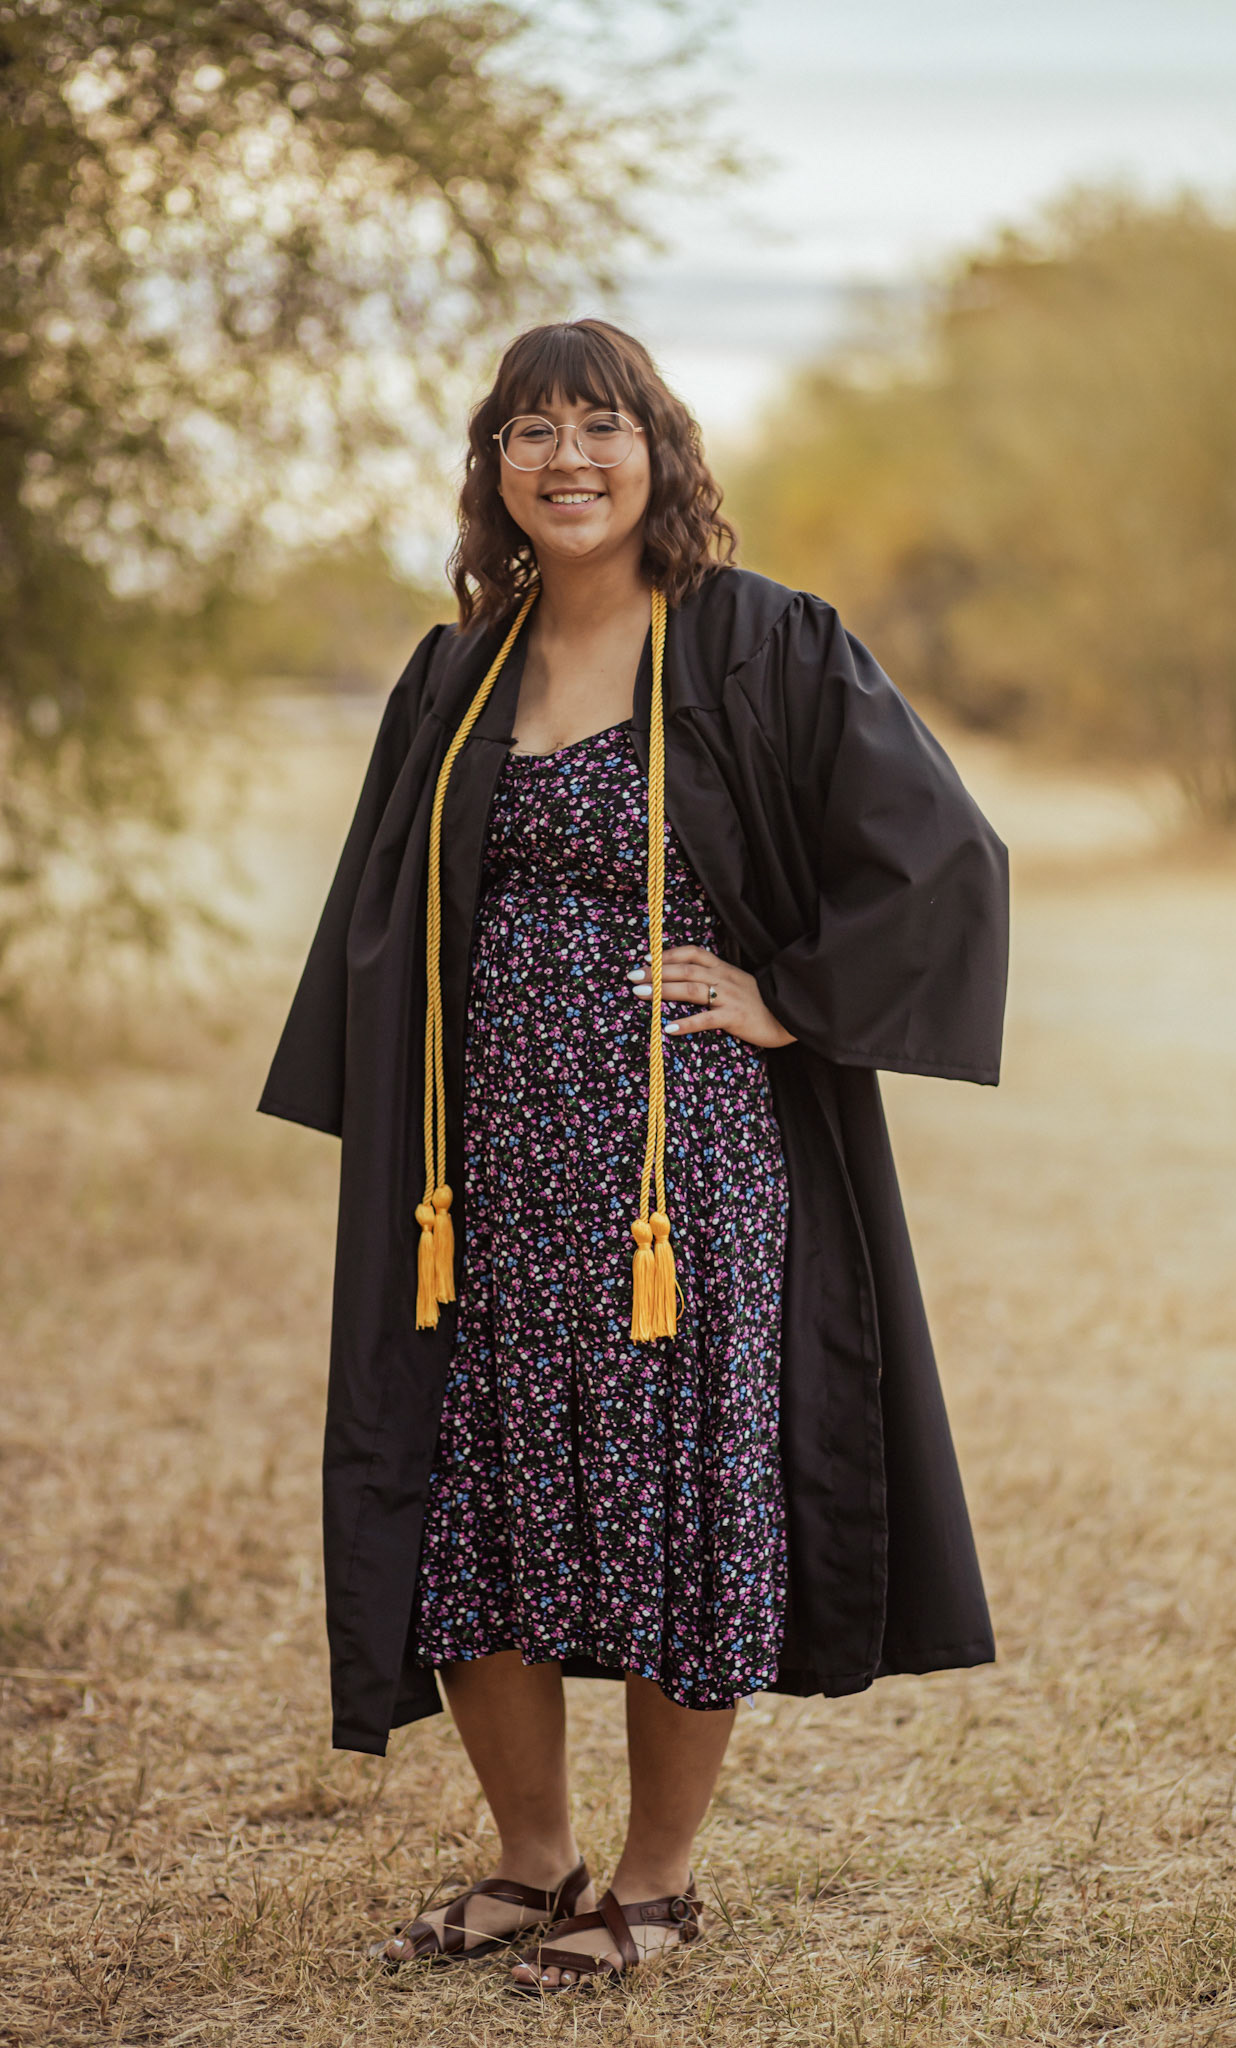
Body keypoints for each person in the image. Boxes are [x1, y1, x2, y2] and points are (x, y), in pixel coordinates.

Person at [259, 318, 1009, 1995]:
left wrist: (787, 999)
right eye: (530, 429)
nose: (567, 457)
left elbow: (942, 853)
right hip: (477, 1181)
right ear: (494, 469)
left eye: (600, 423)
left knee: (680, 1505)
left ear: (659, 451)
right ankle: (533, 1862)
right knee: (475, 1502)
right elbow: (387, 899)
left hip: (687, 1177)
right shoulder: (461, 669)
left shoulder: (757, 642)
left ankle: (656, 1885)